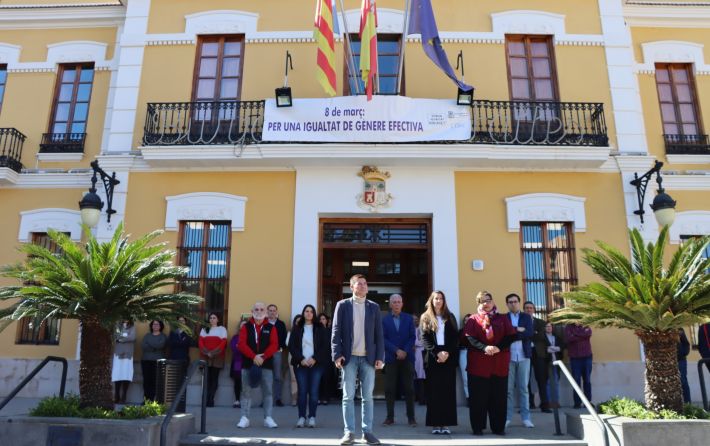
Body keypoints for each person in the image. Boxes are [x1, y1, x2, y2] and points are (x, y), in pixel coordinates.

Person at [331, 274, 385, 445]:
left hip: (368, 359)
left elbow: (379, 335)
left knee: (367, 397)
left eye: (364, 284)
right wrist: (336, 354)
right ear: (351, 287)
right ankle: (349, 432)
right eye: (358, 284)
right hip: (349, 358)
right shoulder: (342, 305)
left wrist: (380, 357)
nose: (362, 286)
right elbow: (336, 331)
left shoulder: (374, 307)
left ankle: (367, 432)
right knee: (348, 396)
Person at [464, 291, 516, 436]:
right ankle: (478, 427)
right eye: (482, 301)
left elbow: (511, 336)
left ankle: (498, 427)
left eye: (488, 300)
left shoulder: (503, 318)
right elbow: (469, 339)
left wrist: (498, 347)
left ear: (493, 301)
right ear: (478, 304)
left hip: (499, 364)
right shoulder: (473, 319)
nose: (486, 303)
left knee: (498, 399)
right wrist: (485, 347)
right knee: (478, 399)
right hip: (478, 366)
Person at [419, 290, 458, 435]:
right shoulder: (426, 317)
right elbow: (424, 338)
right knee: (434, 392)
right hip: (433, 357)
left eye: (441, 298)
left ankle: (446, 424)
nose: (439, 301)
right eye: (436, 298)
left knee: (448, 392)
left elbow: (455, 338)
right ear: (431, 300)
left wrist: (447, 352)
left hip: (448, 356)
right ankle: (435, 424)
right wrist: (437, 353)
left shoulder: (450, 316)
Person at [237, 302, 279, 429]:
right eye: (256, 309)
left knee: (268, 391)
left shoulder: (271, 328)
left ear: (265, 312)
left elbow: (274, 345)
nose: (259, 311)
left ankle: (268, 418)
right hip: (248, 363)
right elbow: (241, 344)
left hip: (266, 364)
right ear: (252, 311)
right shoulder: (246, 327)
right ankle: (244, 418)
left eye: (261, 309)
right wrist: (254, 357)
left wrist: (263, 357)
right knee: (245, 391)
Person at [289, 304, 330, 428]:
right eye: (306, 311)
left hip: (316, 365)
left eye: (311, 311)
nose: (308, 313)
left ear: (314, 314)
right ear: (303, 313)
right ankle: (301, 417)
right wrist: (300, 359)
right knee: (302, 392)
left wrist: (315, 358)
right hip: (301, 364)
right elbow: (292, 346)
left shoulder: (320, 328)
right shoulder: (297, 328)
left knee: (313, 392)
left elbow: (325, 346)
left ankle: (312, 417)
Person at [381, 294, 417, 427]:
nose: (396, 304)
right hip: (391, 358)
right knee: (389, 388)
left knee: (409, 389)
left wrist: (405, 351)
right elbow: (383, 339)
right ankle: (390, 417)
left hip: (407, 358)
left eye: (398, 302)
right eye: (394, 302)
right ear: (390, 304)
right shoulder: (384, 320)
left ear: (402, 304)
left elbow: (412, 337)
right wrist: (396, 350)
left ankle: (411, 418)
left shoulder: (408, 319)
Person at [504, 293, 534, 428]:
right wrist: (518, 330)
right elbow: (505, 335)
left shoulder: (526, 317)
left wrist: (513, 333)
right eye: (510, 302)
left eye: (515, 301)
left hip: (523, 356)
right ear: (507, 304)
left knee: (523, 388)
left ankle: (526, 418)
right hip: (508, 357)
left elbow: (529, 333)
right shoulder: (504, 318)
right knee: (508, 389)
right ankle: (507, 417)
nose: (513, 304)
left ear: (519, 302)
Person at [524, 301, 551, 412]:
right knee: (525, 380)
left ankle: (544, 405)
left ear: (534, 310)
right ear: (524, 310)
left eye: (531, 308)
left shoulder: (541, 322)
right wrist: (532, 333)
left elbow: (540, 336)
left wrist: (527, 333)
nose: (529, 310)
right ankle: (528, 404)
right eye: (526, 308)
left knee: (541, 379)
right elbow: (520, 335)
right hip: (525, 352)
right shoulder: (520, 322)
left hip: (538, 354)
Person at [199, 312, 227, 407]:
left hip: (217, 357)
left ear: (218, 319)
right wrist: (207, 353)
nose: (212, 319)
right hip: (205, 356)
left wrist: (213, 353)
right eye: (210, 318)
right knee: (206, 379)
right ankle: (205, 400)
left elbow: (223, 343)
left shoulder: (222, 329)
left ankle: (211, 400)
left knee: (214, 379)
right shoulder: (204, 329)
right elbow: (201, 342)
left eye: (214, 318)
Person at [536, 322, 564, 408]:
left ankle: (555, 401)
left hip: (556, 362)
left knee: (555, 382)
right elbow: (544, 349)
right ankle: (547, 402)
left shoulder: (557, 337)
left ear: (552, 328)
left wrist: (554, 348)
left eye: (550, 326)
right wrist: (554, 348)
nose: (548, 328)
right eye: (547, 326)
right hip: (546, 362)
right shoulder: (542, 338)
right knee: (546, 382)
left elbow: (561, 347)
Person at [565, 323, 593, 408]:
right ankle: (577, 403)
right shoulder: (568, 327)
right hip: (575, 358)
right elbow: (569, 338)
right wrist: (582, 335)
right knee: (576, 381)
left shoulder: (586, 325)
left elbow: (588, 334)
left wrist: (575, 334)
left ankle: (588, 402)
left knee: (587, 380)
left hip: (587, 357)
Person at [267, 304, 288, 407]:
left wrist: (279, 347)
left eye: (274, 310)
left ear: (276, 312)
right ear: (267, 312)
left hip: (277, 352)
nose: (272, 312)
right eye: (270, 310)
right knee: (266, 376)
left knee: (278, 376)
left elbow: (284, 338)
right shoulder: (263, 323)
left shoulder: (281, 324)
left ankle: (278, 398)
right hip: (265, 354)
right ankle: (266, 400)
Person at [141, 320, 167, 402]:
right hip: (146, 361)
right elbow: (143, 346)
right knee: (146, 381)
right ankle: (146, 400)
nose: (155, 326)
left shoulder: (163, 336)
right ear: (151, 326)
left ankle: (153, 400)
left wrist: (150, 344)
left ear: (160, 326)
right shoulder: (147, 335)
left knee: (155, 381)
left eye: (157, 324)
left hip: (157, 362)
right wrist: (154, 347)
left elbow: (160, 345)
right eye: (154, 324)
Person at [112, 319, 136, 404]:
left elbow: (132, 337)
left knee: (126, 374)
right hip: (118, 353)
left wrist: (121, 339)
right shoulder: (118, 326)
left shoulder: (132, 326)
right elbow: (116, 335)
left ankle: (124, 396)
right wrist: (125, 337)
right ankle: (117, 395)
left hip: (128, 354)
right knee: (117, 374)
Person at [318, 313, 335, 405]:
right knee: (318, 379)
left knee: (326, 378)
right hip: (316, 358)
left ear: (327, 321)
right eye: (320, 319)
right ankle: (318, 397)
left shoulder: (330, 331)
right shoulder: (315, 331)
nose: (322, 321)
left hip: (328, 358)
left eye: (323, 319)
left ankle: (326, 397)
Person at [287, 315, 303, 407]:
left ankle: (302, 398)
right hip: (292, 355)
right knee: (293, 378)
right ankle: (294, 398)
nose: (298, 323)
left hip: (305, 356)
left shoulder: (307, 332)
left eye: (300, 321)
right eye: (297, 321)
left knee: (304, 378)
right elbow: (287, 344)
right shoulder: (291, 332)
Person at [230, 320, 247, 408]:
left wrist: (240, 347)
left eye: (245, 325)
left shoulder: (250, 337)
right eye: (242, 325)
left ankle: (245, 401)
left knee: (246, 382)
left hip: (248, 362)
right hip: (237, 362)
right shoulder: (235, 337)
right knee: (237, 381)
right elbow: (234, 348)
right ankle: (237, 400)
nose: (243, 326)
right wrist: (242, 348)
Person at [458, 313, 472, 404]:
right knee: (465, 377)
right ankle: (468, 398)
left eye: (469, 320)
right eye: (465, 320)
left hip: (474, 353)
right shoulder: (460, 331)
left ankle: (477, 397)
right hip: (463, 352)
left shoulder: (477, 330)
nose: (467, 321)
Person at [413, 314, 426, 405]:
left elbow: (421, 341)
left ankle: (422, 398)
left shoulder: (421, 329)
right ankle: (415, 397)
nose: (415, 321)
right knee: (413, 376)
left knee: (420, 376)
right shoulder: (409, 329)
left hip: (420, 353)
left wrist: (414, 344)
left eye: (416, 319)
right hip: (412, 353)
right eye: (413, 319)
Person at [678, 328, 691, 404]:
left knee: (683, 381)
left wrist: (683, 353)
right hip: (667, 360)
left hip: (680, 360)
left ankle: (688, 404)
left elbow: (686, 344)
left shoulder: (680, 329)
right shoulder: (661, 329)